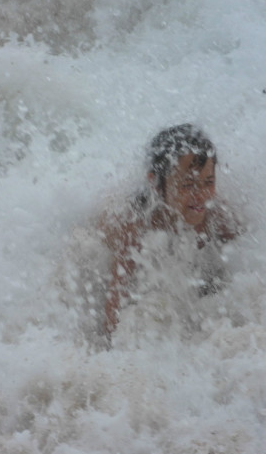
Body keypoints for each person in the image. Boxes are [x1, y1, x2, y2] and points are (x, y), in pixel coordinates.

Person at [99, 124, 242, 336]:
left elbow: (243, 256)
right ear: (155, 183)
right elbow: (114, 311)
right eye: (188, 184)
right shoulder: (136, 226)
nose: (201, 195)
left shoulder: (216, 216)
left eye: (208, 182)